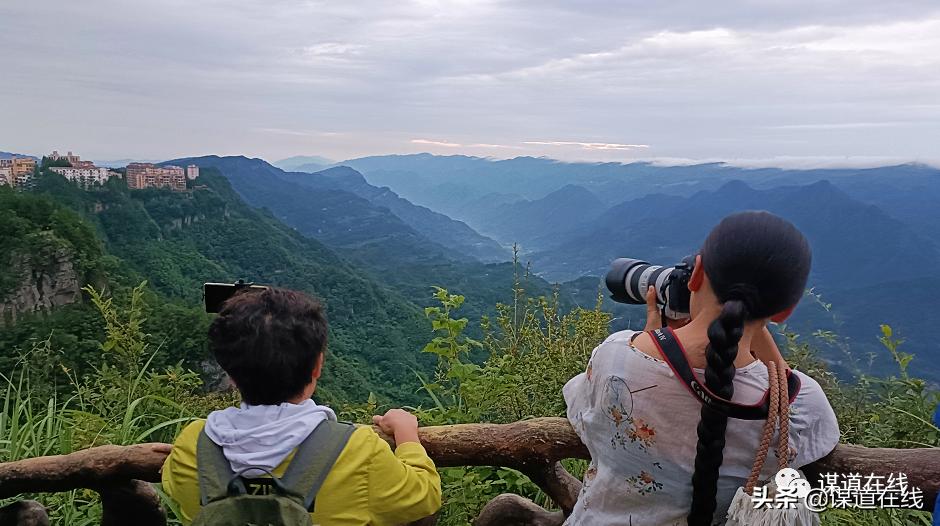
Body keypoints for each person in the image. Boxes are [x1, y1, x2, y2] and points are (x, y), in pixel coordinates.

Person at [563, 211, 840, 525]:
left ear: (696, 275)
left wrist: (655, 339)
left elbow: (581, 412)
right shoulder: (796, 403)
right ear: (785, 312)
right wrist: (748, 326)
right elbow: (784, 387)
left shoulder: (614, 357)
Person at [161, 287, 442, 525]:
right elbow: (425, 496)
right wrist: (407, 435)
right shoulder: (357, 450)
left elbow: (170, 485)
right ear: (318, 365)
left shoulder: (193, 445)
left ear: (230, 374)